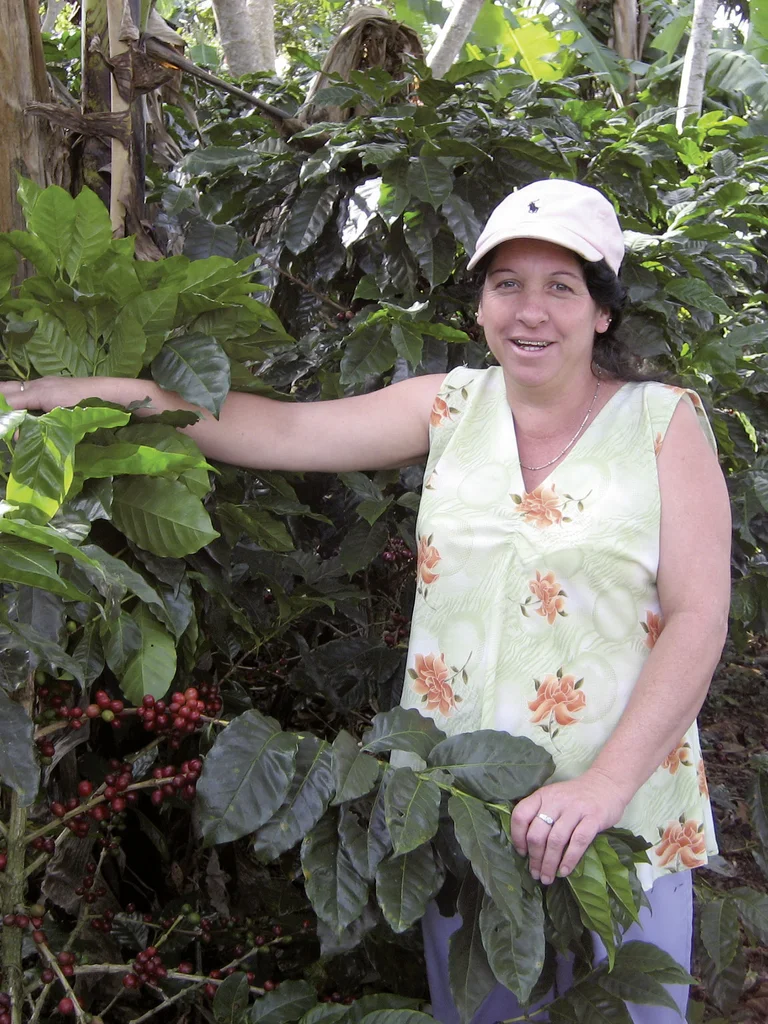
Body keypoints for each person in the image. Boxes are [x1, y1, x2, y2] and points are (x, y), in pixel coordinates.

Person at [1, 179, 731, 1022]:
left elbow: (698, 618)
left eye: (561, 287)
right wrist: (76, 394)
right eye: (508, 284)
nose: (531, 311)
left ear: (602, 311)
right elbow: (276, 430)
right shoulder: (451, 406)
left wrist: (603, 787)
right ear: (482, 304)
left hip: (623, 824)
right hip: (464, 820)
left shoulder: (661, 423)